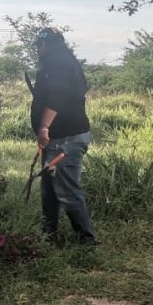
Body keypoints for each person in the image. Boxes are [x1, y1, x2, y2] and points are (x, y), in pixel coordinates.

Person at [31, 27, 96, 245]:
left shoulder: (58, 62)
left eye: (38, 46)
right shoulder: (64, 61)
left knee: (66, 189)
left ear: (44, 45)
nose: (37, 51)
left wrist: (43, 127)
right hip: (59, 138)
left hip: (67, 139)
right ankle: (49, 236)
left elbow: (58, 96)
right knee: (50, 190)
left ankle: (86, 242)